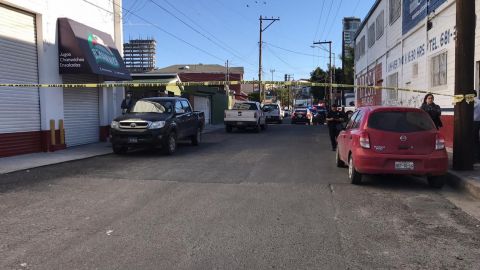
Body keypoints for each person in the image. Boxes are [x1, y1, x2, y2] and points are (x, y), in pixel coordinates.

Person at [474, 95, 480, 161]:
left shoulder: (474, 102)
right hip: (478, 121)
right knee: (477, 140)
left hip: (474, 122)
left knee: (474, 140)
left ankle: (475, 157)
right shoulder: (479, 101)